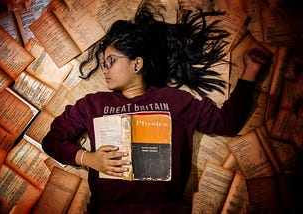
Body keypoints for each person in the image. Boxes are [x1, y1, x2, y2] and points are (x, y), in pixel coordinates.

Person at [42, 1, 270, 213]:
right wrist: (87, 158)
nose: (104, 69)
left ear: (137, 64)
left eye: (110, 61)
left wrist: (250, 71)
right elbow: (52, 141)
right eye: (103, 64)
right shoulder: (93, 104)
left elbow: (226, 123)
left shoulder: (176, 101)